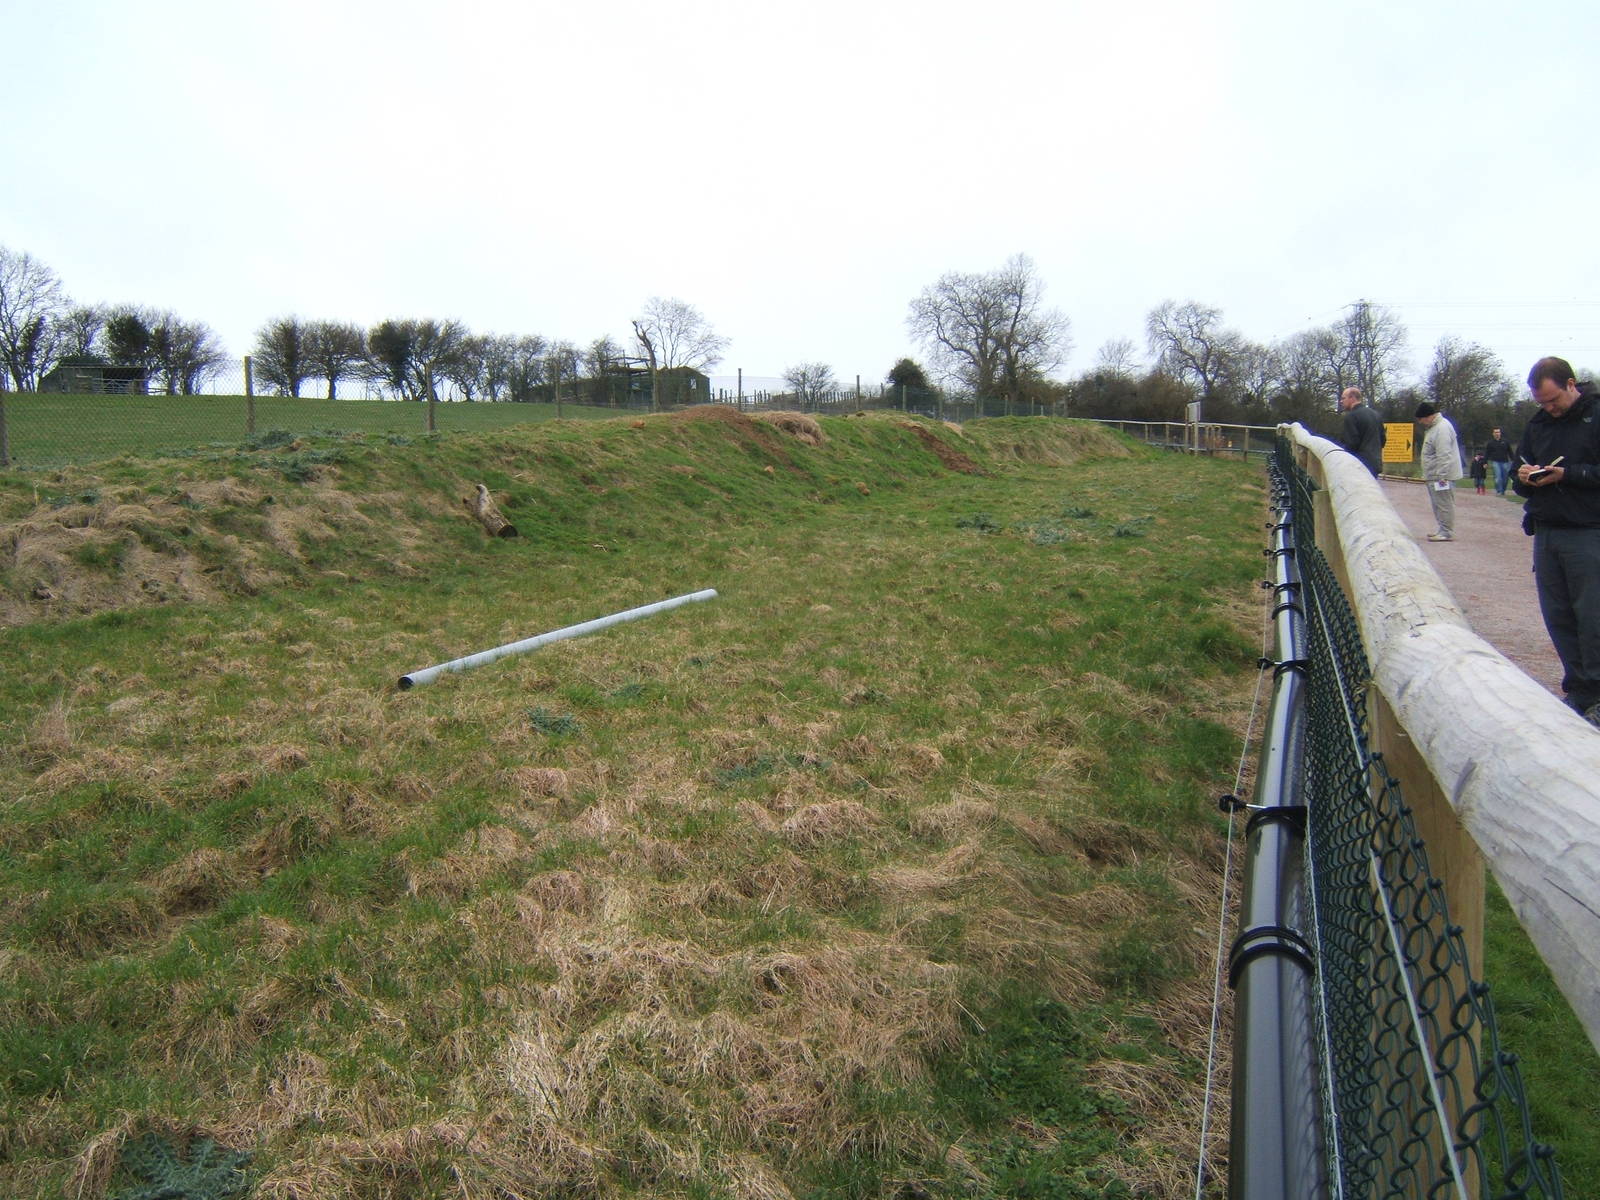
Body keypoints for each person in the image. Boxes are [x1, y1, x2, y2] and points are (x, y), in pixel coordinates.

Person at [1512, 356, 1600, 722]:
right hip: (1547, 530)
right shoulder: (1538, 425)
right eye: (1542, 403)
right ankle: (1579, 692)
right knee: (1558, 615)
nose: (1550, 408)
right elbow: (1519, 479)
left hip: (1588, 530)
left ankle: (1597, 693)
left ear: (1570, 384)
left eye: (1554, 400)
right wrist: (1525, 476)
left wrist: (1568, 474)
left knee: (1591, 616)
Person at [1415, 402, 1463, 541]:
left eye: (1421, 419)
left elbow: (1444, 454)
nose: (1420, 422)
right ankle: (1442, 528)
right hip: (1434, 474)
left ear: (1428, 416)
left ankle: (1446, 532)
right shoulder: (1435, 427)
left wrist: (1442, 475)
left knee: (1444, 503)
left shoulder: (1441, 428)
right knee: (1438, 503)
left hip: (1441, 476)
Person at [1338, 386, 1385, 476]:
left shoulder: (1351, 416)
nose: (1341, 401)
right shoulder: (1376, 415)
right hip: (1375, 464)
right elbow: (1383, 440)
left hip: (1359, 465)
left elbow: (1351, 444)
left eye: (1343, 398)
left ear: (1352, 398)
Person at [1484, 426, 1514, 495]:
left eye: (1498, 432)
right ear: (1493, 434)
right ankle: (1499, 491)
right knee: (1498, 477)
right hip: (1495, 462)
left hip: (1505, 462)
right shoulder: (1490, 443)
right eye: (1495, 432)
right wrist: (1485, 462)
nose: (1497, 433)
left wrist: (1514, 460)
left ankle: (1503, 490)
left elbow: (1510, 452)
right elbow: (1487, 453)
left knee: (1505, 478)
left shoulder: (1505, 442)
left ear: (1500, 433)